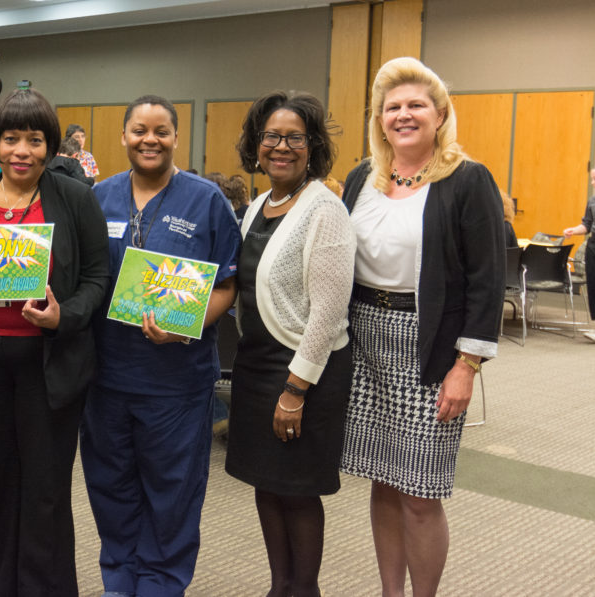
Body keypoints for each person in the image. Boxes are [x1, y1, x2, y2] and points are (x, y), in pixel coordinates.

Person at [339, 57, 504, 597]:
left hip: (428, 347)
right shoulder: (364, 176)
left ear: (439, 115)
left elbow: (486, 279)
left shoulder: (466, 177)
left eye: (415, 106)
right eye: (392, 107)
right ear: (380, 119)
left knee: (420, 492)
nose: (403, 115)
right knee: (383, 482)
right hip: (363, 341)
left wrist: (467, 365)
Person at [0, 88, 108, 597]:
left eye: (35, 140)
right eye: (11, 139)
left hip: (48, 361)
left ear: (51, 146)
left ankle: (44, 587)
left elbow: (98, 278)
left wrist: (65, 316)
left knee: (45, 487)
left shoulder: (76, 197)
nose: (22, 151)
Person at [80, 95, 240, 597]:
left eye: (161, 131)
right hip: (105, 378)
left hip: (176, 381)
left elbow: (228, 285)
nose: (150, 139)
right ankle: (120, 581)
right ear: (124, 136)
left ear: (175, 137)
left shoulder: (206, 200)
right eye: (139, 130)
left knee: (172, 493)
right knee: (111, 487)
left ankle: (161, 584)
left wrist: (185, 325)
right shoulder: (97, 197)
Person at [224, 91, 355, 597]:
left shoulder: (325, 209)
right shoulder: (259, 204)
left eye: (294, 137)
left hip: (304, 370)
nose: (281, 146)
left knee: (297, 491)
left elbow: (327, 313)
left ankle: (304, 589)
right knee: (266, 484)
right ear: (256, 145)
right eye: (271, 137)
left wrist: (295, 390)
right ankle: (280, 587)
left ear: (312, 146)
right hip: (257, 365)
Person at [562, 168, 595, 340]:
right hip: (594, 246)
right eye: (592, 179)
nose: (593, 183)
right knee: (594, 286)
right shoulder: (592, 201)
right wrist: (573, 231)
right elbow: (587, 226)